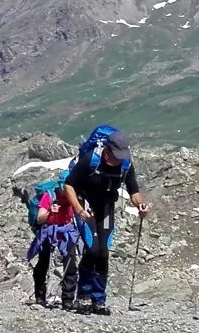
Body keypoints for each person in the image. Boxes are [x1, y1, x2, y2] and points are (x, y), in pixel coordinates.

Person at [59, 131, 148, 315]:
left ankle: (98, 299)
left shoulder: (125, 165)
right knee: (92, 249)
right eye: (115, 156)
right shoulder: (90, 159)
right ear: (107, 150)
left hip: (106, 208)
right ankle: (83, 296)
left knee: (103, 252)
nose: (117, 160)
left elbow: (134, 192)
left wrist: (141, 204)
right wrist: (78, 209)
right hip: (86, 206)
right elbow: (69, 184)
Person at [24, 180, 84, 308]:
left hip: (66, 230)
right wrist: (50, 211)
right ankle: (40, 297)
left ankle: (67, 300)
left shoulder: (72, 195)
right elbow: (40, 219)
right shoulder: (49, 196)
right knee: (43, 262)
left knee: (70, 263)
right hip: (48, 230)